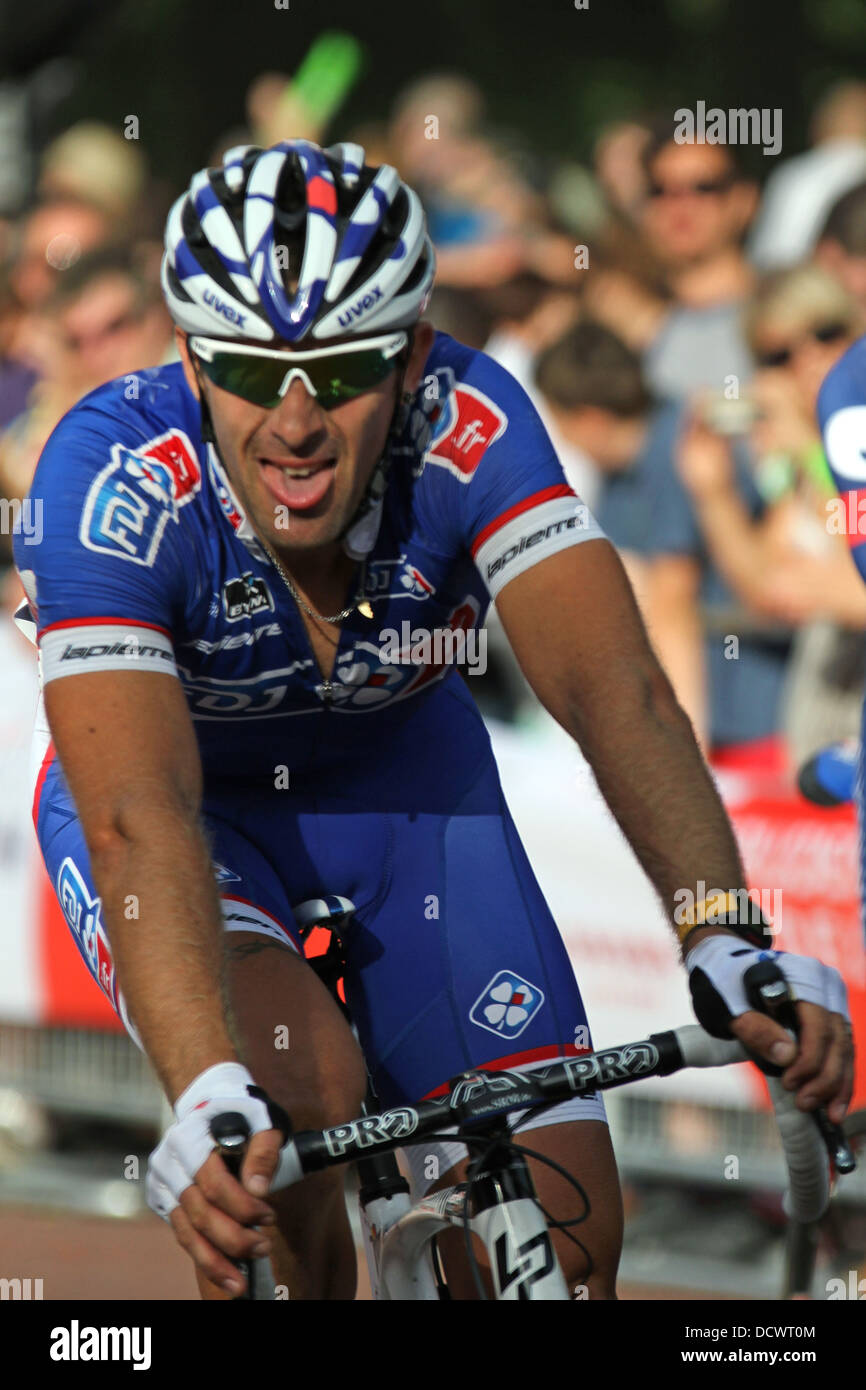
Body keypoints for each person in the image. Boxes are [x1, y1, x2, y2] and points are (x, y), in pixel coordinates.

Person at [13, 140, 851, 1301]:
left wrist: (722, 932)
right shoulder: (108, 478)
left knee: (568, 1238)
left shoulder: (469, 416)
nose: (296, 422)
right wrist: (204, 1080)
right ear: (192, 359)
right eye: (252, 374)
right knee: (292, 1108)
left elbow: (615, 692)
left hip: (409, 789)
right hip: (191, 814)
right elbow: (135, 807)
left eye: (344, 368)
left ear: (410, 355)